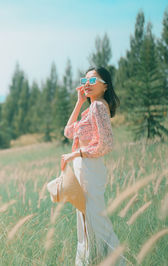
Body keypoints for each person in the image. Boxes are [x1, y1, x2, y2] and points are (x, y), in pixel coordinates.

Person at [61, 67, 125, 265]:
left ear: (105, 86)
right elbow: (68, 132)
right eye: (84, 80)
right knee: (85, 221)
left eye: (92, 80)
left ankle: (117, 262)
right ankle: (92, 261)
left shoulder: (98, 107)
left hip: (90, 167)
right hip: (83, 166)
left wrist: (76, 154)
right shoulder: (90, 108)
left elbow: (105, 144)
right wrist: (79, 102)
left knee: (95, 220)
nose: (86, 84)